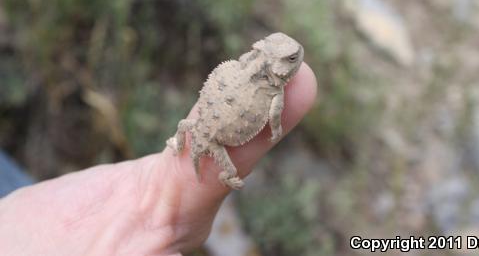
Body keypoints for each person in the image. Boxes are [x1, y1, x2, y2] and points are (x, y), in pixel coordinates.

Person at [0, 64, 317, 255]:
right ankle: (213, 168)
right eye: (289, 61)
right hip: (215, 132)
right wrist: (272, 132)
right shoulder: (270, 93)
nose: (293, 63)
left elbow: (270, 114)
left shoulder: (256, 79)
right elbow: (274, 120)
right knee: (217, 163)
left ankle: (183, 146)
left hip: (201, 123)